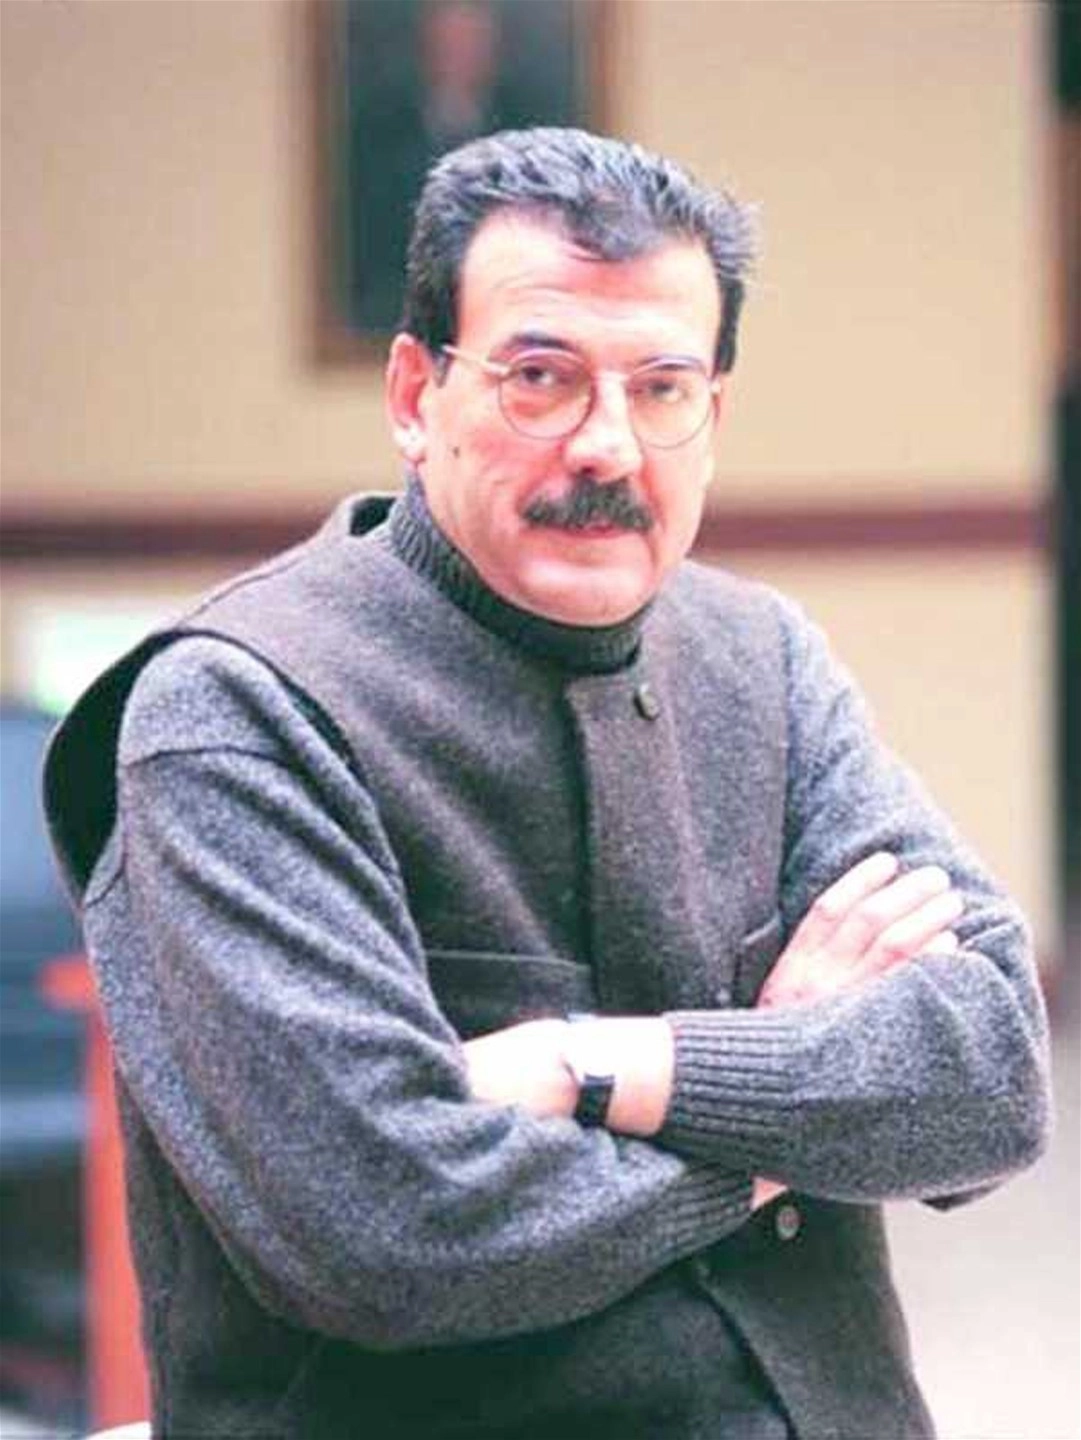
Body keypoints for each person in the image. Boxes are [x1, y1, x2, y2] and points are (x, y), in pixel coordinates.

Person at [45, 128, 1051, 1438]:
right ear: (415, 396)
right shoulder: (234, 709)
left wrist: (591, 1067)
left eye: (663, 387)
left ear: (714, 416)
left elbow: (991, 1072)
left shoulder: (766, 658)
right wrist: (780, 1114)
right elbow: (388, 1231)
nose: (608, 448)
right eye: (540, 378)